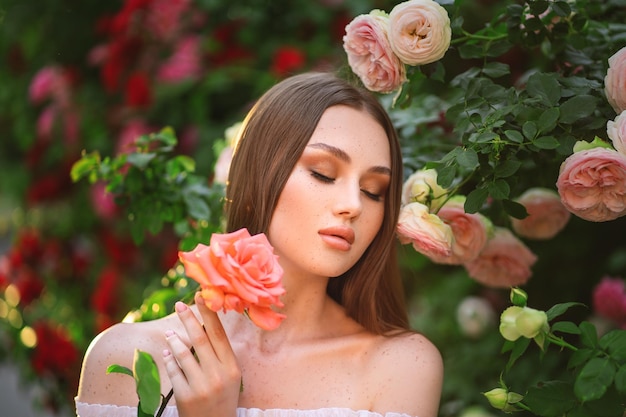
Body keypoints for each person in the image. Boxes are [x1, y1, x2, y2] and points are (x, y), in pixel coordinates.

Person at [75, 72, 444, 417]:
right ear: (259, 174)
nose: (354, 204)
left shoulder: (400, 367)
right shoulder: (125, 356)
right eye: (323, 173)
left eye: (372, 190)